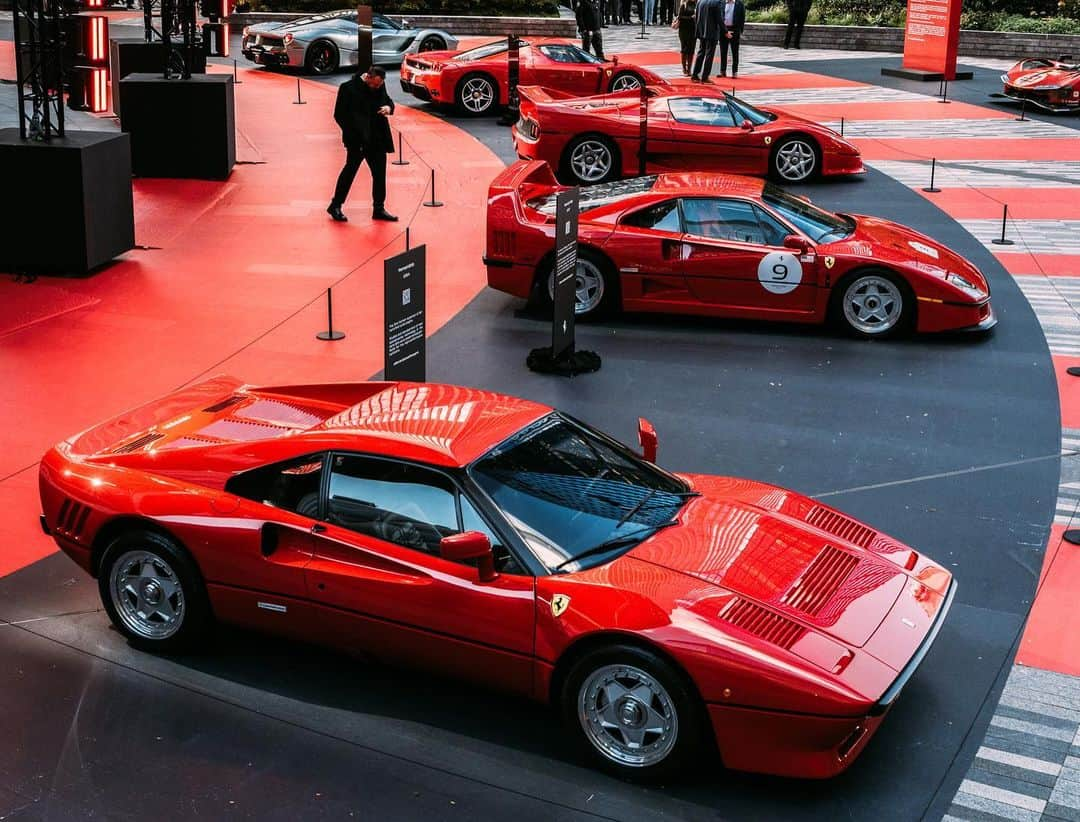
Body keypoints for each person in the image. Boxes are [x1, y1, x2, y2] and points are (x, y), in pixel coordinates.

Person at [328, 66, 397, 223]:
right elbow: (339, 115)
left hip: (377, 138)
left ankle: (378, 209)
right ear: (368, 78)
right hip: (357, 141)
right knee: (349, 173)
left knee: (379, 175)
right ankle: (335, 205)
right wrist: (353, 136)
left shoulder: (380, 85)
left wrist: (389, 108)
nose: (376, 88)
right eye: (374, 84)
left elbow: (387, 100)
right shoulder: (347, 88)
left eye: (379, 85)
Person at [690, 0, 721, 83]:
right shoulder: (716, 3)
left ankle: (695, 75)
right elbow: (719, 19)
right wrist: (725, 31)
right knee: (709, 55)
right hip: (712, 33)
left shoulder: (700, 2)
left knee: (701, 53)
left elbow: (696, 17)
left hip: (702, 31)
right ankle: (705, 77)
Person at [718, 0, 744, 77]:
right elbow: (719, 17)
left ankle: (734, 72)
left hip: (735, 30)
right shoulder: (721, 3)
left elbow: (742, 17)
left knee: (735, 52)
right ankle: (723, 71)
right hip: (723, 30)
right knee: (723, 52)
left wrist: (740, 31)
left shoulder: (739, 4)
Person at [674, 0, 697, 76]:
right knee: (684, 49)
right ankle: (684, 68)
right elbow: (680, 17)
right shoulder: (683, 5)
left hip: (693, 30)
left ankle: (689, 69)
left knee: (691, 49)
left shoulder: (697, 4)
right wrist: (691, 17)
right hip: (683, 30)